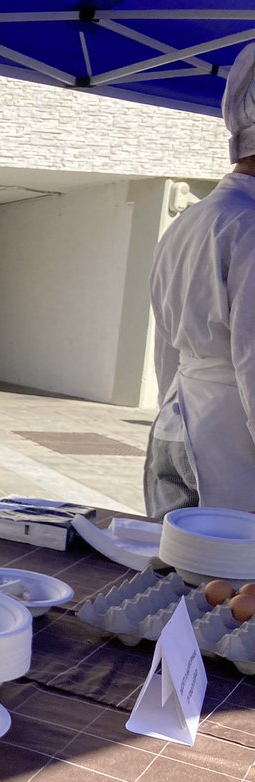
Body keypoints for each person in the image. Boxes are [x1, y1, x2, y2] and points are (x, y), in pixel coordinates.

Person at [144, 41, 255, 519]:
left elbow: (166, 349)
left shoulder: (189, 220)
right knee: (222, 585)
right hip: (228, 443)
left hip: (175, 422)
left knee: (172, 578)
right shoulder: (248, 226)